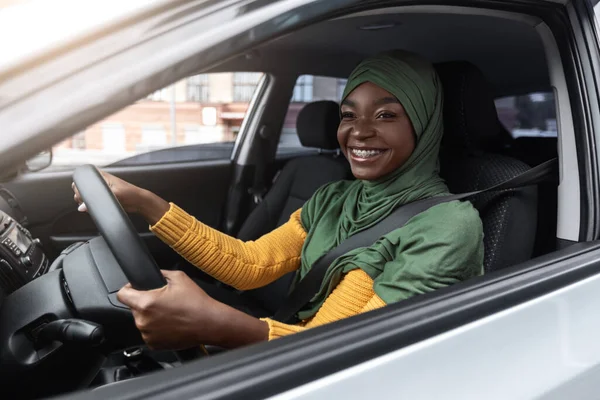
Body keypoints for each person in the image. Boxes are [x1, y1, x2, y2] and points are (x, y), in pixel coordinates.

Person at [73, 50, 484, 350]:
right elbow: (249, 264)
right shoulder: (334, 198)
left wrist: (214, 324)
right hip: (289, 347)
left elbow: (343, 350)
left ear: (425, 125)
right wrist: (146, 202)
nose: (359, 131)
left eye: (386, 115)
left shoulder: (447, 225)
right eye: (348, 114)